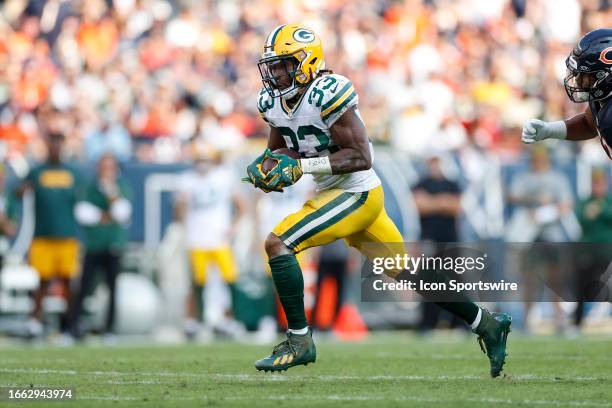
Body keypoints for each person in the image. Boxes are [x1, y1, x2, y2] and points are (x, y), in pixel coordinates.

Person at [245, 24, 511, 377]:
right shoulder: (274, 102)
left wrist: (301, 165)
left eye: (284, 64)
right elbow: (280, 150)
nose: (276, 73)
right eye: (273, 66)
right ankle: (487, 323)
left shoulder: (328, 92)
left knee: (279, 243)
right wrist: (265, 168)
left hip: (355, 190)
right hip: (336, 192)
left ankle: (299, 340)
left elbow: (360, 155)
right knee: (409, 272)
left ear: (307, 62)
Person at [175, 142, 246, 339]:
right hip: (196, 238)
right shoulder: (186, 180)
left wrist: (234, 227)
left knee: (229, 280)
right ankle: (194, 321)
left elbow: (241, 204)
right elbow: (179, 212)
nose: (202, 164)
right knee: (198, 282)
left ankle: (230, 319)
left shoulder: (223, 176)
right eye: (199, 160)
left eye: (206, 159)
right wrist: (182, 208)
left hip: (219, 238)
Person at [18, 131, 80, 337]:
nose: (55, 147)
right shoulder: (36, 171)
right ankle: (35, 322)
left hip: (66, 236)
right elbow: (18, 192)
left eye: (58, 143)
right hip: (43, 235)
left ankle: (69, 324)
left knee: (67, 282)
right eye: (51, 143)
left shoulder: (73, 172)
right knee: (42, 282)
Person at [522, 29, 612, 159]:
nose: (579, 81)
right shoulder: (604, 99)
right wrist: (549, 130)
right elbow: (589, 124)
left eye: (586, 76)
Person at [71, 153, 132, 339]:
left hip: (113, 244)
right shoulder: (89, 187)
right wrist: (106, 216)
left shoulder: (121, 187)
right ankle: (75, 326)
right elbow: (82, 213)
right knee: (84, 287)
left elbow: (122, 213)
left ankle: (110, 328)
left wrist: (111, 193)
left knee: (112, 288)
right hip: (93, 244)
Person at [413, 155, 463, 331]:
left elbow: (457, 207)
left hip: (449, 239)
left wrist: (432, 202)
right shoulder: (421, 183)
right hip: (429, 239)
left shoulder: (452, 183)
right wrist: (443, 202)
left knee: (454, 281)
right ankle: (428, 322)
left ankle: (457, 322)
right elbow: (419, 205)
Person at [573, 168, 612, 329]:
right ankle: (577, 322)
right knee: (581, 285)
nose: (598, 187)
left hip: (607, 251)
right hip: (588, 251)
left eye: (600, 183)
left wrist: (601, 210)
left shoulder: (608, 202)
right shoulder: (585, 202)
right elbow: (582, 218)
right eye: (595, 183)